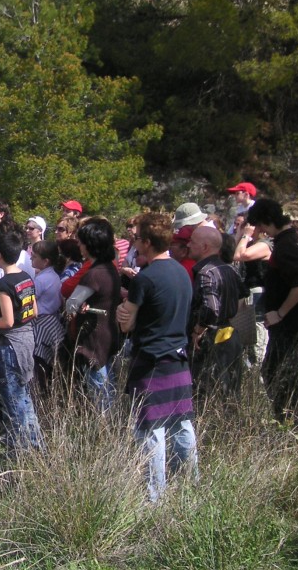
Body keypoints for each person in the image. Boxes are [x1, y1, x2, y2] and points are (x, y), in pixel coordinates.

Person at [116, 212, 197, 502]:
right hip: (178, 356)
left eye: (137, 238)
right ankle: (190, 486)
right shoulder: (182, 272)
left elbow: (126, 324)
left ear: (147, 242)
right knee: (181, 423)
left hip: (150, 360)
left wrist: (121, 313)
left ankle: (154, 499)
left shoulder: (145, 279)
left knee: (150, 430)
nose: (134, 243)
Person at [247, 198, 298, 424]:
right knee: (278, 370)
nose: (261, 231)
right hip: (285, 322)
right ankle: (290, 421)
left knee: (279, 371)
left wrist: (280, 313)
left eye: (261, 225)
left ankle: (292, 422)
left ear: (268, 220)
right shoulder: (288, 240)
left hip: (288, 322)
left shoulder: (286, 245)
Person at [0, 230, 42, 453]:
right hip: (28, 338)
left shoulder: (3, 284)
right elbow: (34, 310)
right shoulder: (26, 278)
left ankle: (20, 450)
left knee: (12, 397)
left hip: (10, 344)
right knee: (24, 394)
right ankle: (34, 442)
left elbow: (7, 321)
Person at [186, 225, 246, 410]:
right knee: (228, 391)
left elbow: (211, 309)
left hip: (211, 339)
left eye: (192, 242)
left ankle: (211, 433)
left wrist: (198, 329)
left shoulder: (206, 272)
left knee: (207, 391)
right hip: (230, 334)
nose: (188, 245)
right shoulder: (229, 269)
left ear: (204, 247)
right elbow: (242, 296)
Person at [67, 217, 122, 411]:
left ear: (89, 245)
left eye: (81, 242)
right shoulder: (111, 268)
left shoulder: (93, 273)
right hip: (109, 335)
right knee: (109, 388)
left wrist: (77, 307)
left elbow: (71, 304)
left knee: (101, 394)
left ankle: (105, 431)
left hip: (94, 340)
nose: (79, 246)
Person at [233, 218, 272, 365]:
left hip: (258, 292)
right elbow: (232, 255)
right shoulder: (247, 244)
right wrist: (240, 236)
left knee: (256, 332)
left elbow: (240, 256)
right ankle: (249, 368)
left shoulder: (265, 244)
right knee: (244, 334)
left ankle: (258, 370)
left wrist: (245, 235)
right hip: (245, 291)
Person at [30, 239, 65, 385]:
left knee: (39, 361)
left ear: (45, 261)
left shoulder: (41, 280)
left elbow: (30, 302)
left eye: (34, 257)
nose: (31, 258)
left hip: (41, 323)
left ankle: (40, 391)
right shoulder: (54, 276)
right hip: (52, 321)